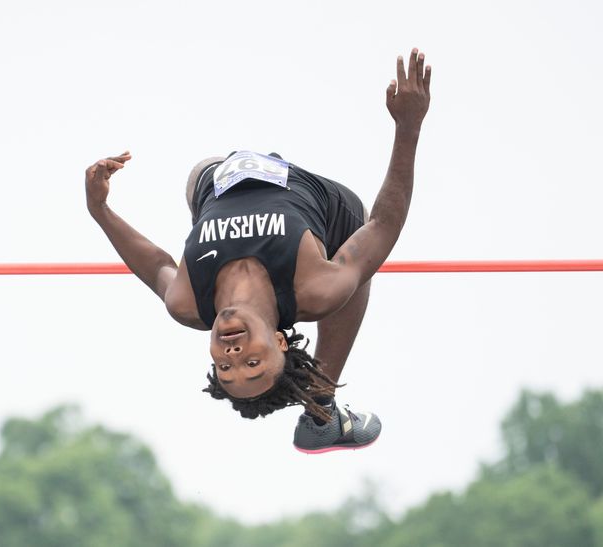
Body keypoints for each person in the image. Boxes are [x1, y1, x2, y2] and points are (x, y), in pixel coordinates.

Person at [84, 49, 431, 453]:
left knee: (199, 172)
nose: (232, 354)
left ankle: (320, 413)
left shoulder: (188, 302)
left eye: (224, 366)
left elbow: (159, 263)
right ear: (280, 343)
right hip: (327, 209)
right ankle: (321, 403)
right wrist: (409, 126)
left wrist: (100, 209)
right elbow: (384, 225)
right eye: (252, 363)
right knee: (352, 276)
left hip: (217, 180)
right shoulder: (314, 287)